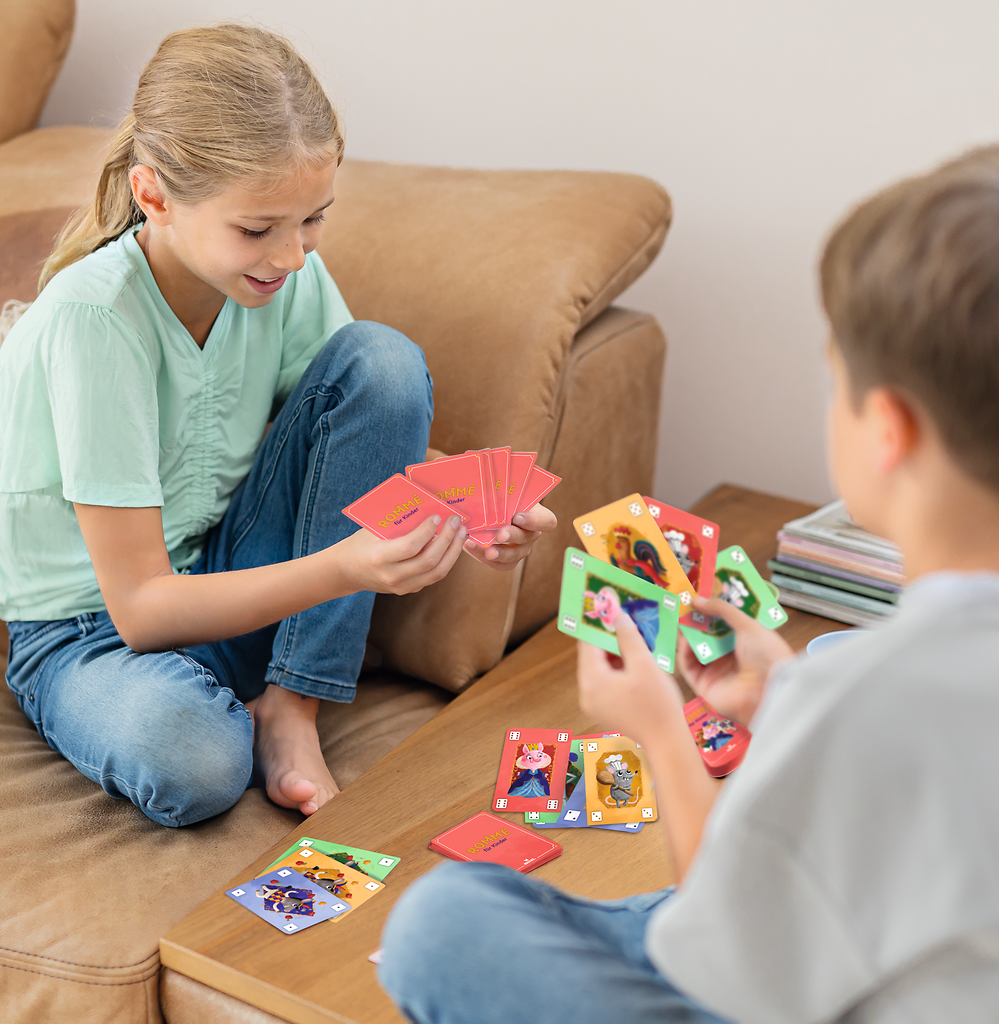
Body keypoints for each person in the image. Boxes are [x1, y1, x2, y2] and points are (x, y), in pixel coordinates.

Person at [378, 147, 999, 1022]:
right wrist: (785, 698)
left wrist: (662, 737)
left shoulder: (871, 695)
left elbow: (730, 963)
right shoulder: (862, 687)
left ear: (886, 427)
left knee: (443, 922)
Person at [0, 24, 555, 829]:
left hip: (233, 572)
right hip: (93, 636)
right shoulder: (94, 320)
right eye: (257, 229)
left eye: (313, 220)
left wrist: (472, 511)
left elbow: (360, 429)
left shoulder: (284, 277)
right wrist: (347, 567)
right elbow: (144, 610)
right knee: (191, 757)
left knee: (382, 359)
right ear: (153, 195)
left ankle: (291, 707)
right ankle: (226, 713)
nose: (292, 257)